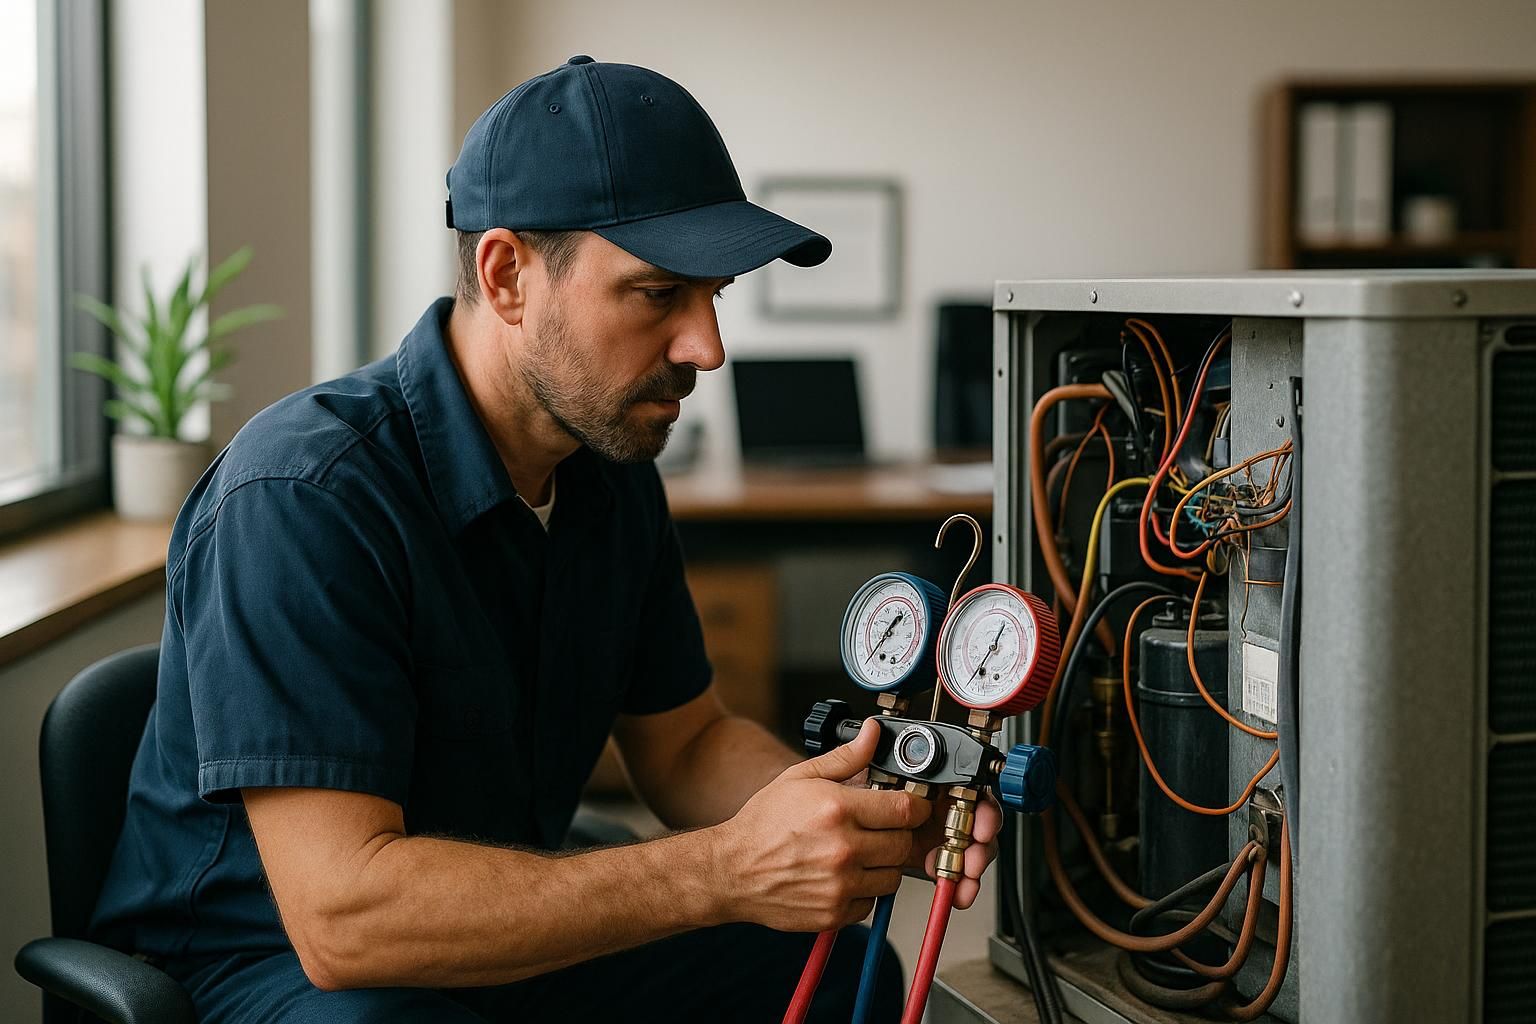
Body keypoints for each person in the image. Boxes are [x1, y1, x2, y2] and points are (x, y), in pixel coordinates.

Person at [90, 56, 1000, 1022]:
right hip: (265, 966)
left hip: (491, 930)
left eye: (714, 297)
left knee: (839, 975)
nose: (708, 348)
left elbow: (686, 745)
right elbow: (346, 921)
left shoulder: (608, 470)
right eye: (658, 295)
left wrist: (853, 812)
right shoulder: (305, 496)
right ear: (507, 274)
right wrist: (723, 870)